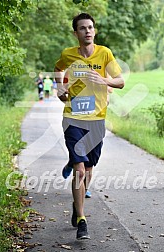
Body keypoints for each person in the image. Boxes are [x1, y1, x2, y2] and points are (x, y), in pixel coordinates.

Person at [54, 13, 124, 240]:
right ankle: (82, 219)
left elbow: (120, 81)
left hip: (97, 120)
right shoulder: (68, 54)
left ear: (95, 31)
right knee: (80, 169)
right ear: (76, 33)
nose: (88, 31)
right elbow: (58, 69)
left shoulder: (105, 54)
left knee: (89, 169)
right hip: (73, 117)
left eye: (91, 28)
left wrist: (103, 80)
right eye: (82, 28)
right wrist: (60, 87)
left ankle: (78, 203)